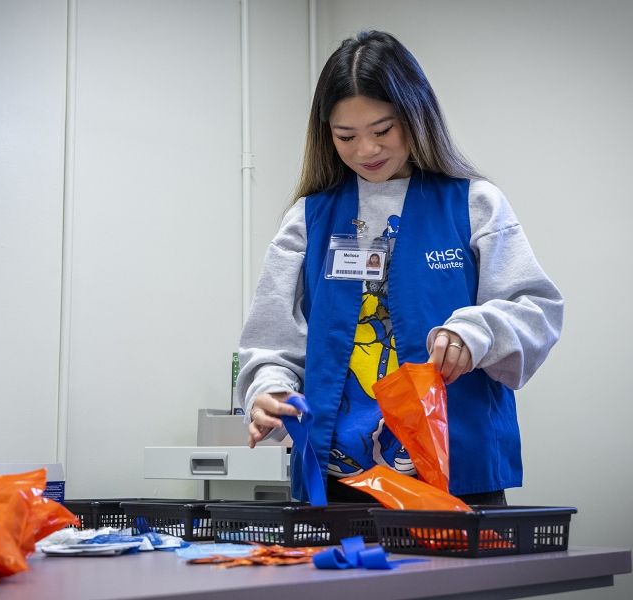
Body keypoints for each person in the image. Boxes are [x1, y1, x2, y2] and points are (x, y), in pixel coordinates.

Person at [235, 30, 563, 505]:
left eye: (383, 130)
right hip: (337, 479)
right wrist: (269, 392)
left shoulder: (475, 204)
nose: (366, 150)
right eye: (345, 136)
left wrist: (475, 334)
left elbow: (537, 309)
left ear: (416, 116)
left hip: (454, 472)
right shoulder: (308, 219)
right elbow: (270, 343)